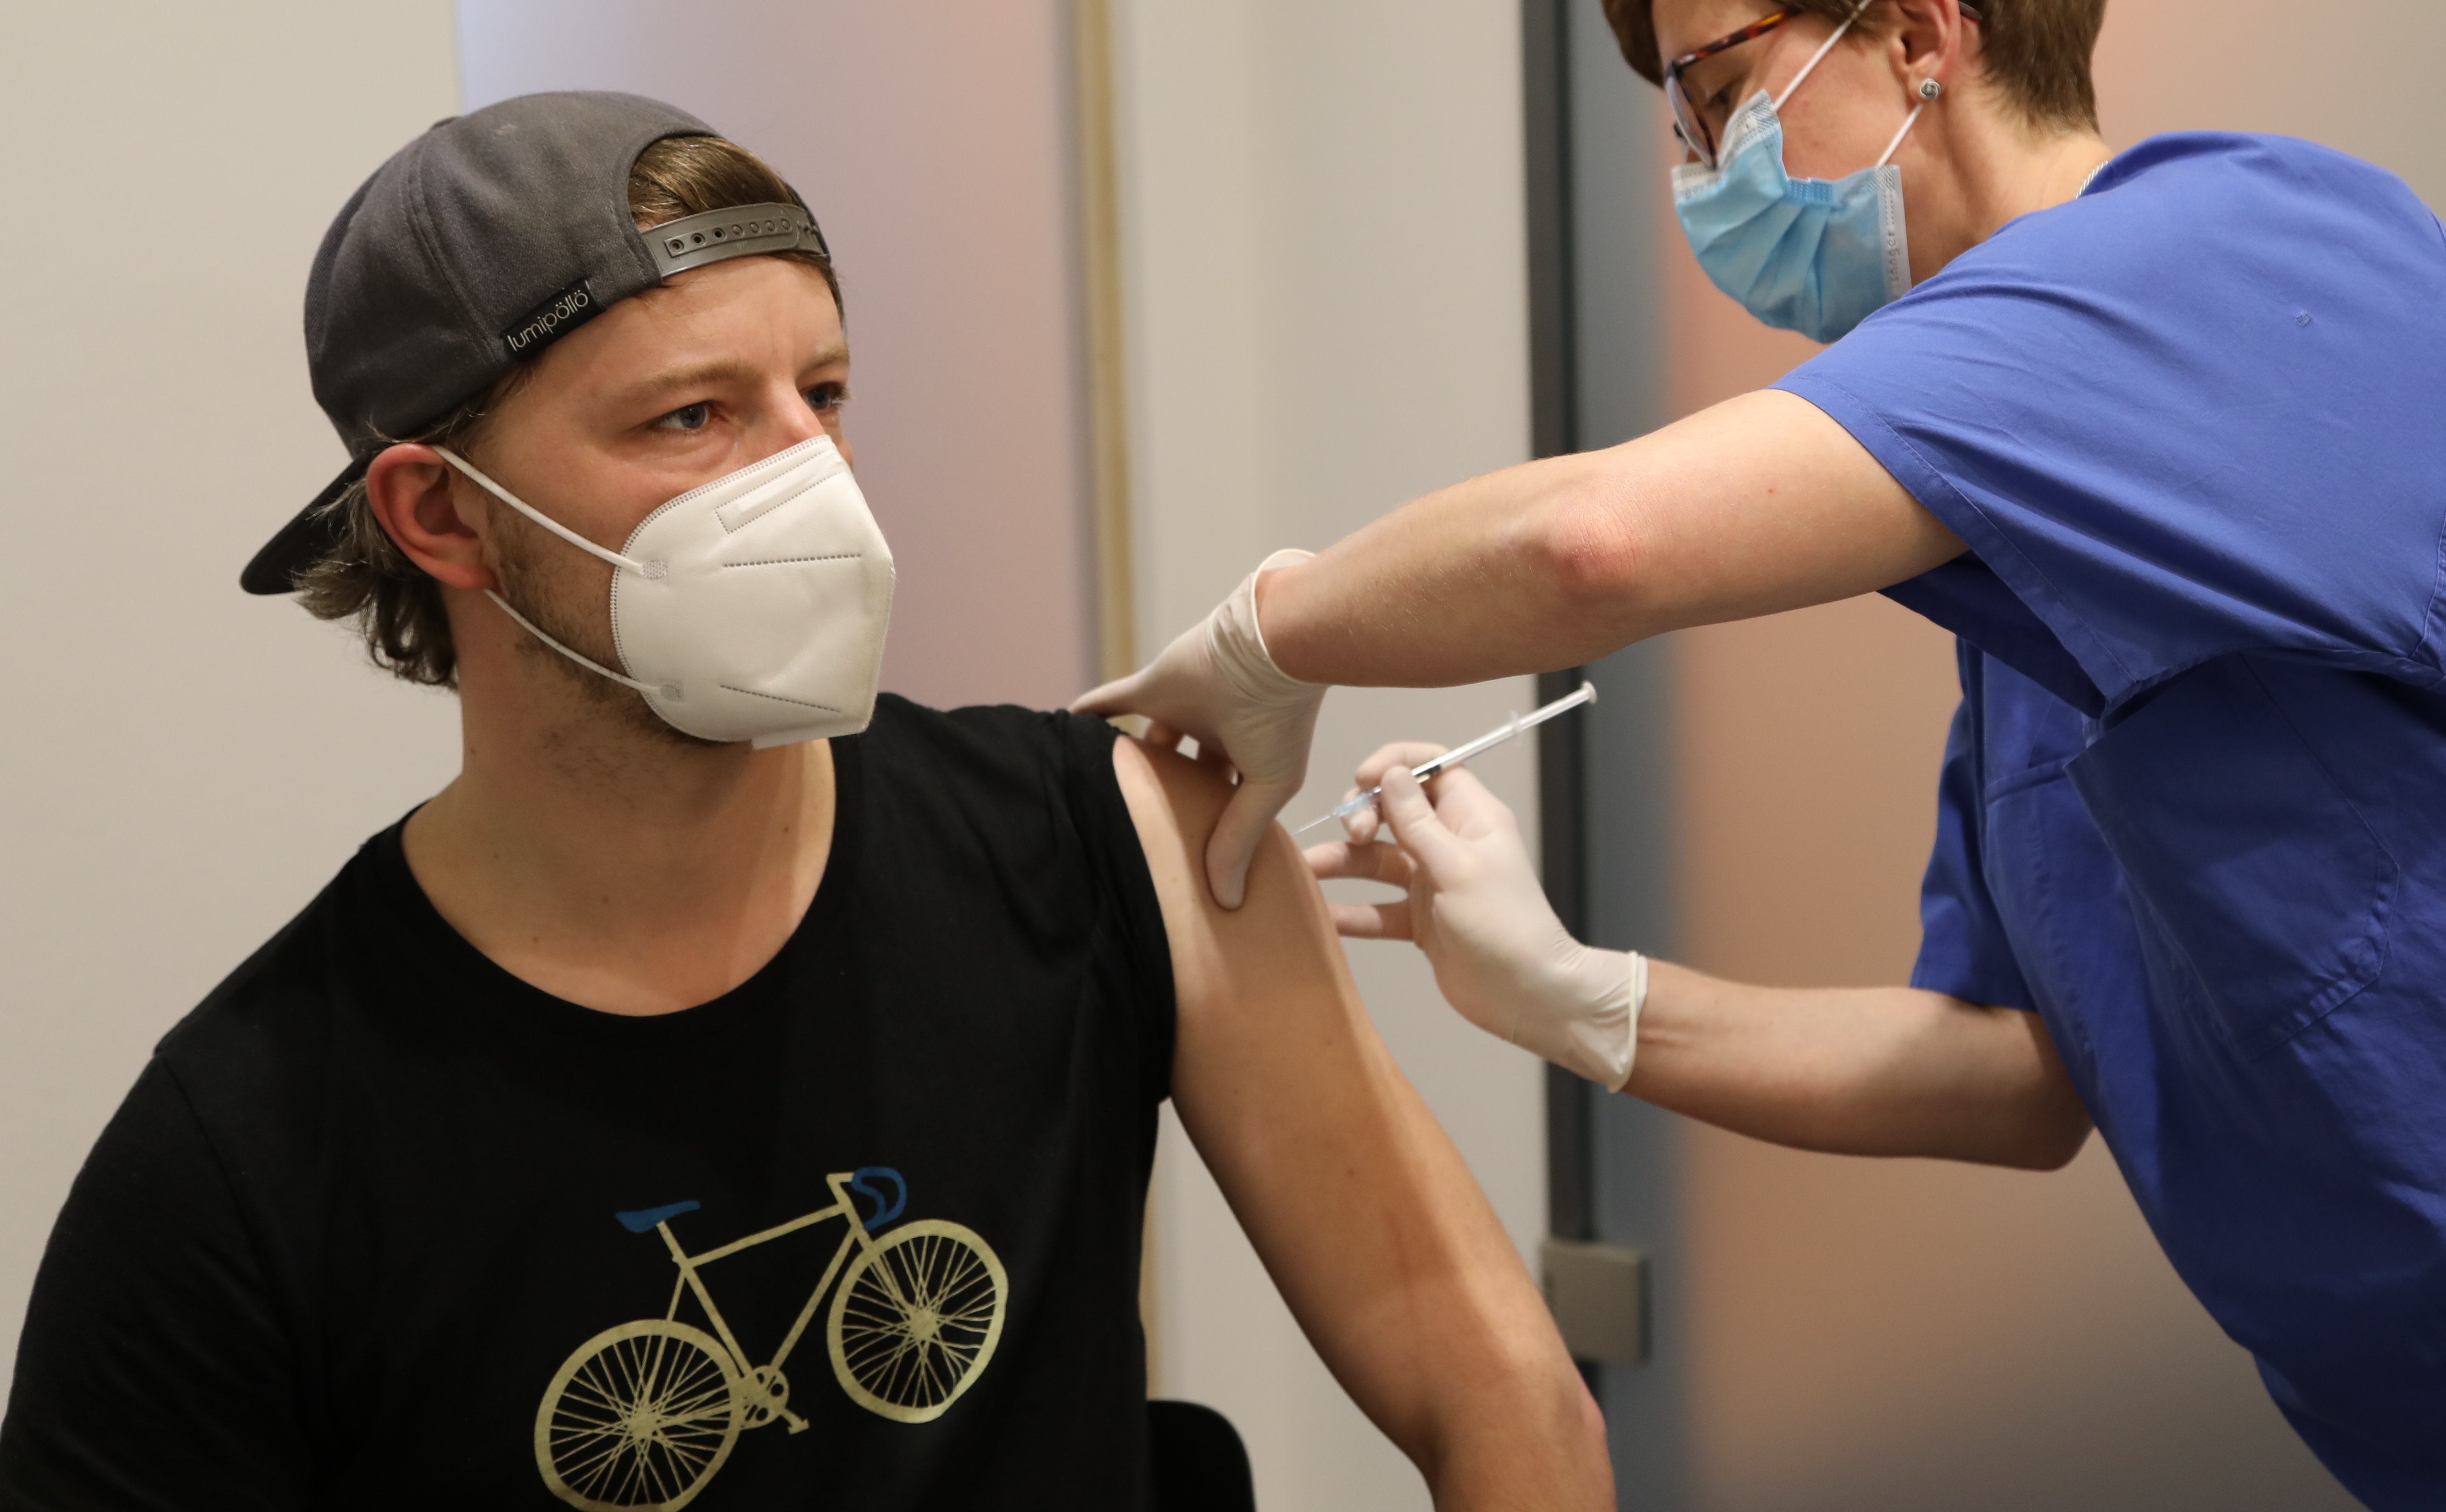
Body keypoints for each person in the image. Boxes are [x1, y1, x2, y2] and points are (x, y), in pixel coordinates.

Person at [1078, 0, 2446, 1511]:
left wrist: (1271, 634)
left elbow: (1595, 544)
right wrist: (1570, 992)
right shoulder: (2040, 563)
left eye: (1719, 90)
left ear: (1920, 32)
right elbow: (2018, 1073)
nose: (1703, 165)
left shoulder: (2223, 269)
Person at [0, 93, 1610, 1512]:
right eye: (691, 418)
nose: (812, 484)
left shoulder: (1112, 839)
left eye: (820, 396)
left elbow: (1501, 1397)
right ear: (440, 513)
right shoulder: (247, 1155)